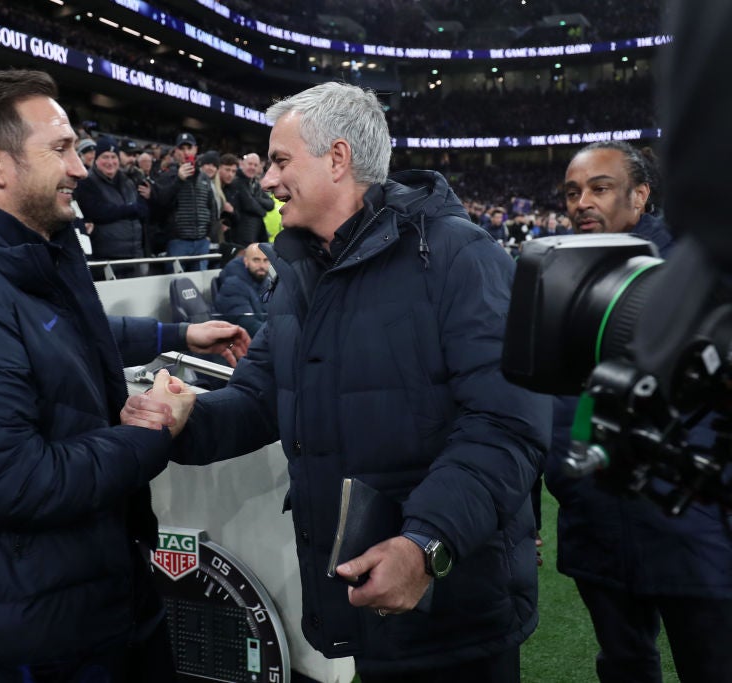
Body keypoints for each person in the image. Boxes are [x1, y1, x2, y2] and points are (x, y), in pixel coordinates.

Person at [125, 82, 551, 682]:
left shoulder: (462, 258)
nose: (267, 182)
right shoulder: (301, 272)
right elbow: (256, 400)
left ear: (338, 157)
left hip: (453, 605)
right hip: (359, 600)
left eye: (279, 160)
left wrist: (426, 544)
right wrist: (186, 418)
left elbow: (508, 423)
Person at [0, 69, 249, 683]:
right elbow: (14, 482)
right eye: (61, 149)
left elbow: (66, 334)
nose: (79, 167)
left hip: (97, 588)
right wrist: (153, 431)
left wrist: (178, 334)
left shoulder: (32, 249)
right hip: (40, 623)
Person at [545, 140, 732, 683]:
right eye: (573, 192)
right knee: (625, 666)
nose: (582, 202)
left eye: (599, 188)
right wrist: (563, 485)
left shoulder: (701, 269)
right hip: (595, 525)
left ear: (640, 195)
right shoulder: (554, 271)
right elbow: (547, 404)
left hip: (687, 530)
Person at [72, 135, 150, 278]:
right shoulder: (87, 182)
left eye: (113, 157)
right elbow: (98, 211)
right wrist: (131, 209)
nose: (110, 162)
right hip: (107, 258)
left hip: (135, 255)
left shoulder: (129, 181)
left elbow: (143, 208)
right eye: (105, 157)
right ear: (96, 159)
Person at [153, 132, 215, 270]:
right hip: (177, 242)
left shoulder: (204, 177)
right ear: (176, 152)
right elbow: (161, 203)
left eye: (189, 148)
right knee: (177, 284)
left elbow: (212, 207)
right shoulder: (167, 175)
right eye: (182, 149)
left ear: (196, 150)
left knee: (200, 286)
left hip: (202, 242)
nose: (186, 152)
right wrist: (179, 180)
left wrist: (209, 235)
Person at [212, 242, 270, 337]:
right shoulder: (232, 285)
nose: (262, 265)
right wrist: (278, 336)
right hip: (235, 344)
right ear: (246, 262)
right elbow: (246, 324)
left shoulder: (266, 283)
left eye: (266, 260)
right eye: (256, 260)